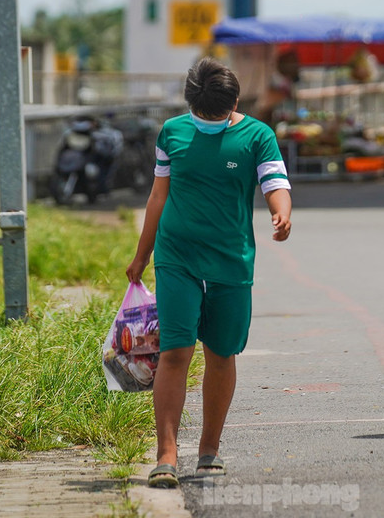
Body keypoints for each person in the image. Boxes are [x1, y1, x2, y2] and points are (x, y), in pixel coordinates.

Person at [126, 57, 293, 488]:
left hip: (231, 261)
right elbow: (158, 196)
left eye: (218, 114)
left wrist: (282, 214)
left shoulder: (258, 136)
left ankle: (209, 449)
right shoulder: (173, 133)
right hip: (176, 257)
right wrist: (142, 255)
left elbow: (275, 183)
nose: (211, 121)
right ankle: (166, 455)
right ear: (191, 105)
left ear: (235, 102)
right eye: (203, 114)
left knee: (221, 354)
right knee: (175, 353)